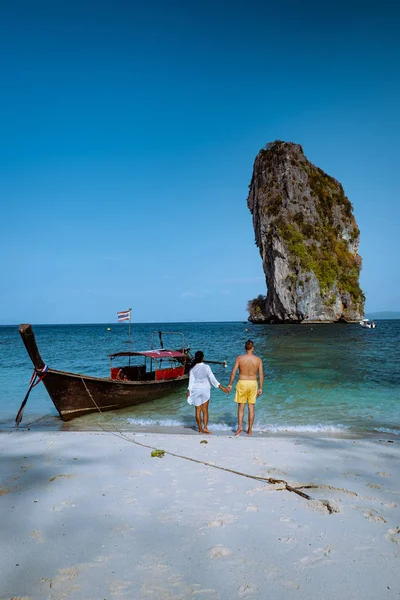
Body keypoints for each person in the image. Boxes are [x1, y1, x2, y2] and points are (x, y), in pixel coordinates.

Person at [186, 351, 228, 434]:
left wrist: (189, 391)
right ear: (203, 358)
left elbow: (191, 381)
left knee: (198, 410)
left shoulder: (192, 369)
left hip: (196, 389)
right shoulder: (206, 367)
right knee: (205, 410)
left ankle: (200, 429)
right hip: (205, 389)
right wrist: (222, 388)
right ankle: (205, 427)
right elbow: (212, 379)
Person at [227, 340, 264, 436]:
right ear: (253, 348)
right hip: (253, 383)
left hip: (242, 383)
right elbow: (261, 375)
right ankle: (250, 430)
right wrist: (260, 388)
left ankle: (239, 427)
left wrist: (230, 384)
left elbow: (234, 372)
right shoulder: (258, 360)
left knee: (241, 407)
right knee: (251, 407)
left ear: (245, 348)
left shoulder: (239, 358)